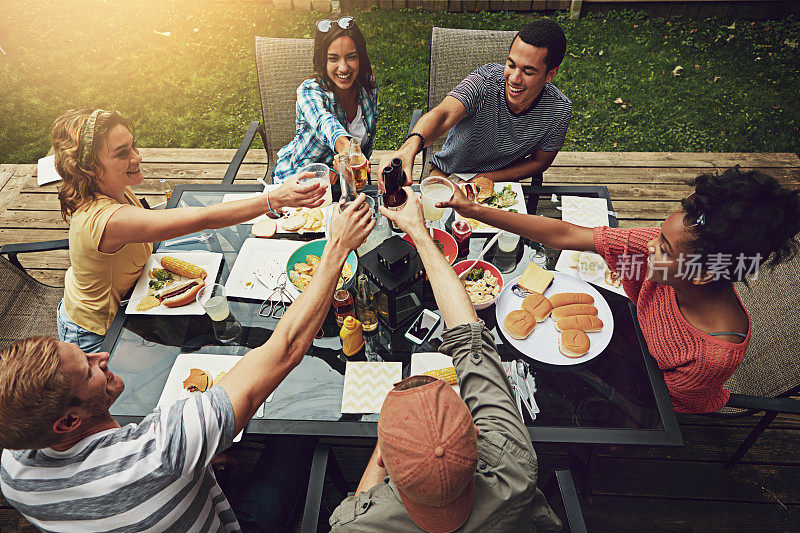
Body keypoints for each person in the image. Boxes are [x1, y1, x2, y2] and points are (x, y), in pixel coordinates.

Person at [0, 196, 376, 531]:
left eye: (83, 351)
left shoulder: (12, 471)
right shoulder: (159, 450)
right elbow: (286, 348)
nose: (101, 355)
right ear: (67, 421)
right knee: (300, 429)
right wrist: (338, 246)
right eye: (88, 369)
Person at [439, 167, 800, 413]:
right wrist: (475, 210)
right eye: (659, 234)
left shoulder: (712, 355)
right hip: (622, 336)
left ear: (704, 274)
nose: (650, 246)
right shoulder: (664, 256)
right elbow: (567, 235)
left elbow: (652, 405)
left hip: (639, 386)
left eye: (663, 248)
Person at [329, 190, 561, 532]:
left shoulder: (358, 527)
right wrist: (419, 232)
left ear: (383, 461)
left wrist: (392, 438)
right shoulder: (514, 466)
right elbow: (469, 336)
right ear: (477, 433)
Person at [52, 108, 326, 352]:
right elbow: (203, 219)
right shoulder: (107, 219)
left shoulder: (111, 187)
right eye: (122, 153)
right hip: (99, 332)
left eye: (133, 146)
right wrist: (275, 198)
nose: (137, 157)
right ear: (87, 168)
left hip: (132, 297)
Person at [378, 18, 571, 189]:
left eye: (528, 72)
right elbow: (443, 115)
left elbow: (539, 162)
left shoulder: (559, 111)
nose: (513, 78)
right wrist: (408, 149)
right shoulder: (484, 81)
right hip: (448, 174)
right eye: (511, 65)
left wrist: (485, 179)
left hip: (502, 182)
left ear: (550, 74)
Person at [272, 16, 378, 185]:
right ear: (323, 61)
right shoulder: (309, 92)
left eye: (351, 57)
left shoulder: (368, 87)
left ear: (360, 58)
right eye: (333, 58)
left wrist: (345, 170)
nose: (343, 67)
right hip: (299, 182)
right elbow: (325, 122)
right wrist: (347, 149)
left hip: (346, 184)